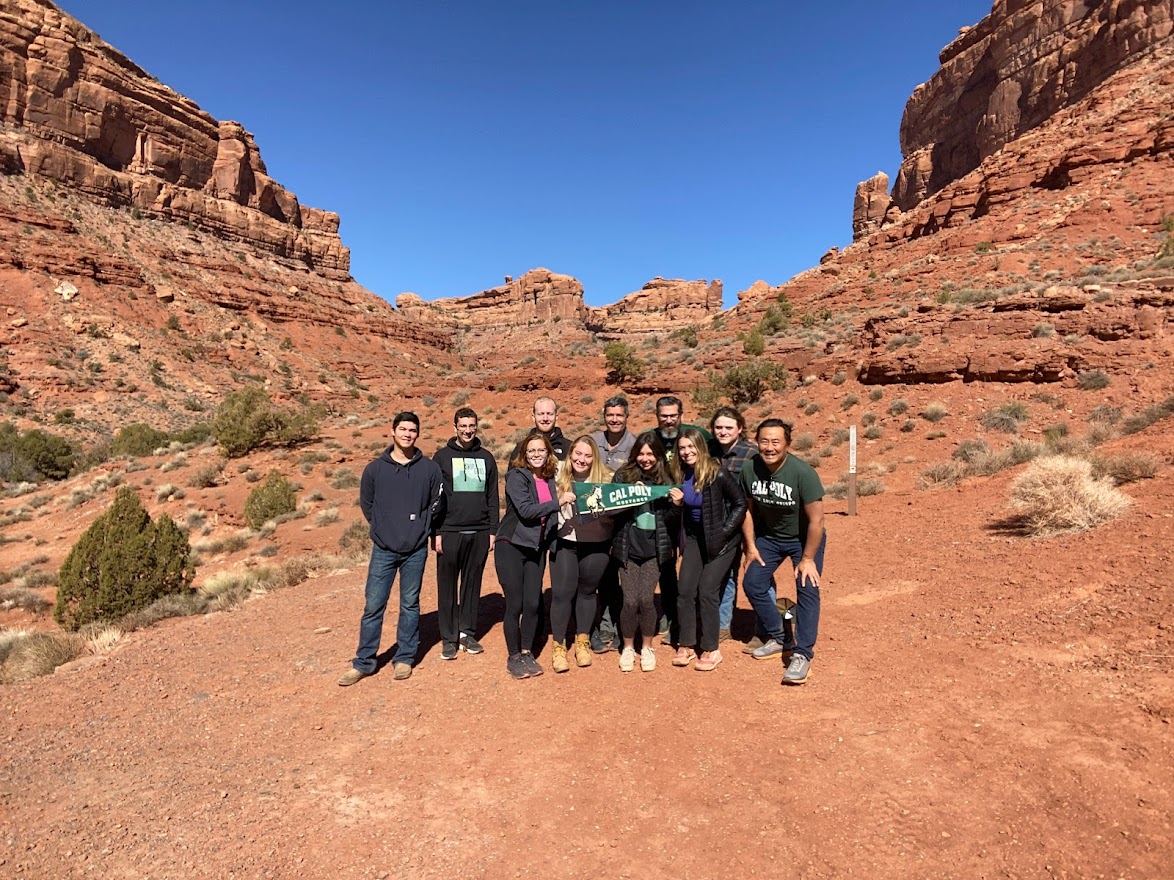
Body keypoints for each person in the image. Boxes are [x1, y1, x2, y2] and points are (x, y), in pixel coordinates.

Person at [339, 411, 445, 686]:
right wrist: (382, 527)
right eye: (403, 429)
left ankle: (404, 658)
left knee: (410, 604)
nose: (408, 434)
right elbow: (367, 504)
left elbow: (437, 502)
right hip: (383, 549)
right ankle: (364, 662)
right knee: (374, 604)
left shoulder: (429, 469)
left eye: (413, 430)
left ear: (417, 434)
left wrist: (421, 526)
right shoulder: (375, 469)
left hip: (415, 549)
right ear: (393, 431)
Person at [740, 419, 826, 686]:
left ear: (787, 443)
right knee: (753, 584)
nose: (769, 447)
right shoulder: (749, 469)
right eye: (764, 441)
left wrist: (808, 559)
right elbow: (747, 510)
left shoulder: (803, 473)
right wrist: (750, 546)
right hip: (769, 538)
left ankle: (802, 654)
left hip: (804, 539)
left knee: (806, 588)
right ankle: (780, 636)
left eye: (776, 441)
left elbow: (817, 521)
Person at [496, 431, 575, 680]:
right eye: (531, 451)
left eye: (541, 450)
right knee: (515, 604)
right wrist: (559, 502)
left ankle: (527, 652)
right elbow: (527, 510)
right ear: (524, 454)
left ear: (548, 452)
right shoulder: (515, 477)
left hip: (536, 548)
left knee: (532, 603)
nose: (537, 454)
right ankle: (513, 656)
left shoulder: (551, 478)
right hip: (511, 545)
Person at [667, 428, 746, 671]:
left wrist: (724, 532)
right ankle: (687, 643)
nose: (687, 452)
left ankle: (711, 648)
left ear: (700, 447)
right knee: (685, 590)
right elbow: (676, 515)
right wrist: (678, 505)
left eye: (691, 447)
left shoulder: (717, 472)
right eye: (682, 448)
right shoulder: (680, 474)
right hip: (694, 538)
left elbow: (740, 504)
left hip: (722, 542)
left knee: (707, 591)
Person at [431, 407, 499, 660]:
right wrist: (435, 532)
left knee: (472, 584)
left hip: (480, 531)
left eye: (472, 426)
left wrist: (493, 530)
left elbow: (493, 496)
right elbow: (434, 498)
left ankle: (466, 633)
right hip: (449, 531)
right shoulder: (441, 457)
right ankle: (448, 638)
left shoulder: (487, 457)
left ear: (476, 426)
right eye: (463, 426)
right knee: (447, 586)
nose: (468, 430)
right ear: (455, 427)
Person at [611, 432, 679, 673]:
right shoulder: (624, 476)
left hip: (654, 551)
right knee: (629, 601)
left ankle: (647, 646)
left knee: (646, 599)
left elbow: (670, 522)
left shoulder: (667, 479)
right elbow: (611, 510)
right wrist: (630, 495)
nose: (645, 458)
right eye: (641, 453)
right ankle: (628, 647)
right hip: (628, 549)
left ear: (658, 455)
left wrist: (677, 505)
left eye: (650, 453)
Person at [708, 406, 774, 647]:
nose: (723, 432)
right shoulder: (709, 451)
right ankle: (723, 625)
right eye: (718, 427)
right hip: (720, 525)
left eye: (728, 427)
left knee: (758, 575)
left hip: (751, 524)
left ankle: (766, 629)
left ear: (739, 429)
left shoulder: (752, 454)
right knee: (726, 575)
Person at [549, 436, 614, 673]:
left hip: (597, 542)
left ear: (594, 458)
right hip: (566, 541)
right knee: (562, 594)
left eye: (588, 455)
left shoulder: (607, 478)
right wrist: (559, 499)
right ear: (570, 453)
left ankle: (582, 641)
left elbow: (623, 499)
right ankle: (558, 646)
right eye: (577, 454)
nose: (582, 459)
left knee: (587, 592)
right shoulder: (557, 474)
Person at [648, 396, 711, 640]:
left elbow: (716, 452)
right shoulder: (651, 437)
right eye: (664, 415)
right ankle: (669, 613)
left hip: (692, 510)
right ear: (657, 416)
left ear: (681, 414)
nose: (669, 419)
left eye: (673, 415)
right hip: (662, 510)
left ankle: (695, 615)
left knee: (692, 565)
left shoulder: (697, 435)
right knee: (665, 562)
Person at [588, 395, 636, 654]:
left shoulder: (635, 445)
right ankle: (606, 624)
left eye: (619, 415)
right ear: (604, 416)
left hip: (626, 522)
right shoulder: (593, 442)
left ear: (627, 417)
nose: (614, 419)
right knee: (604, 576)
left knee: (626, 577)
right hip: (597, 522)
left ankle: (623, 626)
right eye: (610, 415)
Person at [509, 396, 569, 462]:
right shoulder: (521, 448)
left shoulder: (569, 448)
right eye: (541, 414)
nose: (545, 418)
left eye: (550, 414)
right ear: (533, 416)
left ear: (556, 416)